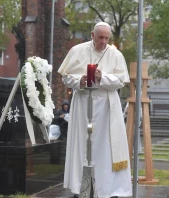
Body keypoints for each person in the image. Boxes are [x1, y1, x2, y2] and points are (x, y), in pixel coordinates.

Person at [57, 21, 132, 198]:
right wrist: (80, 81)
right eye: (100, 37)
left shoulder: (115, 54)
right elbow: (66, 77)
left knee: (105, 147)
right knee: (83, 144)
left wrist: (102, 77)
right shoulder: (77, 50)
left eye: (107, 38)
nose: (103, 42)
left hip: (107, 106)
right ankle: (82, 188)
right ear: (92, 35)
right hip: (83, 103)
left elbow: (121, 81)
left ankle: (105, 189)